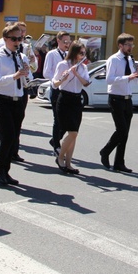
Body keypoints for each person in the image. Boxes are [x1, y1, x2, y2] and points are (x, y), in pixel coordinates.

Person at [0, 23, 29, 185]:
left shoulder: (21, 57)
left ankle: (6, 171)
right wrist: (15, 75)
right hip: (2, 100)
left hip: (18, 101)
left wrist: (27, 73)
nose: (18, 42)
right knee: (8, 137)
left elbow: (27, 80)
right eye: (14, 39)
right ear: (5, 39)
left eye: (20, 39)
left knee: (13, 138)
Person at [100, 33, 138, 173]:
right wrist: (127, 77)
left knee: (126, 133)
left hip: (128, 98)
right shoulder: (114, 59)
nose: (131, 47)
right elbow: (109, 79)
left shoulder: (130, 60)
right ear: (120, 46)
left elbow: (132, 80)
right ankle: (105, 151)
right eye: (128, 45)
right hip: (116, 98)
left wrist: (136, 76)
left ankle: (119, 162)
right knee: (121, 129)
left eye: (132, 45)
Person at [51, 40, 91, 174]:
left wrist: (77, 74)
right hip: (64, 99)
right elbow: (54, 84)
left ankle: (68, 163)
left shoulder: (83, 67)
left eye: (84, 53)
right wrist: (63, 78)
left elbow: (86, 83)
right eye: (81, 53)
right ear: (74, 52)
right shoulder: (62, 65)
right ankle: (60, 157)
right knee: (72, 132)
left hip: (76, 100)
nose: (83, 56)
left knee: (74, 134)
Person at [42, 30, 72, 155]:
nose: (67, 44)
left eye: (69, 42)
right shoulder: (52, 54)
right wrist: (58, 79)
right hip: (56, 89)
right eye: (65, 42)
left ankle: (54, 140)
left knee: (67, 120)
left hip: (66, 90)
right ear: (58, 41)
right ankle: (56, 146)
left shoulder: (69, 55)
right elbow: (46, 72)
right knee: (57, 119)